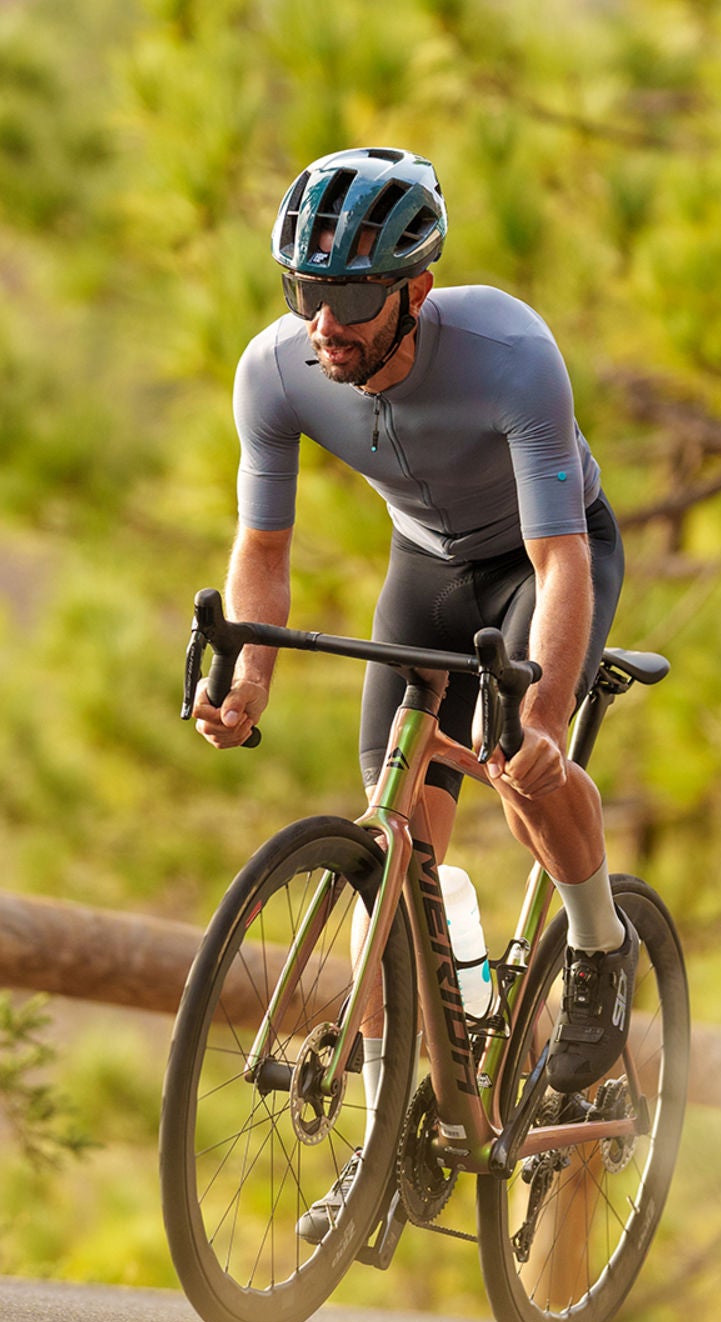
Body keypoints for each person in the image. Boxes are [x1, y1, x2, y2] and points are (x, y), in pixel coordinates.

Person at [189, 147, 634, 1243]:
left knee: (531, 777)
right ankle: (398, 1128)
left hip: (541, 563)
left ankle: (598, 947)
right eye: (304, 292)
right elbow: (261, 545)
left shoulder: (508, 352)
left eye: (347, 298)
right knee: (395, 843)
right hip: (426, 575)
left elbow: (562, 563)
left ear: (415, 291)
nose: (322, 324)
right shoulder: (275, 370)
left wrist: (536, 718)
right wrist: (249, 679)